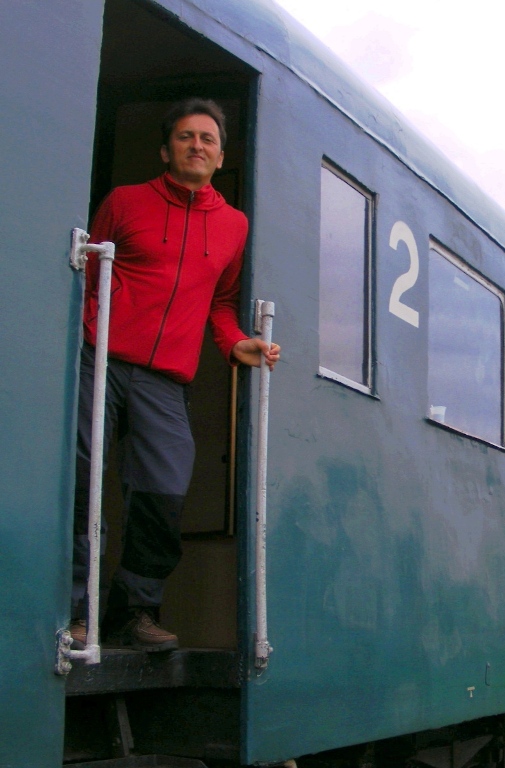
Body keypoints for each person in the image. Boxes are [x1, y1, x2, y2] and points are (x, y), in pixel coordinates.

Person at [70, 98, 280, 652]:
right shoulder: (125, 201)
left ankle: (133, 611)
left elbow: (222, 302)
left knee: (164, 494)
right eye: (186, 136)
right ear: (166, 151)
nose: (197, 145)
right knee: (82, 481)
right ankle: (75, 611)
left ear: (221, 156)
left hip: (166, 380)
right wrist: (91, 326)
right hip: (101, 358)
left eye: (208, 139)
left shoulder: (233, 225)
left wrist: (235, 343)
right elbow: (87, 274)